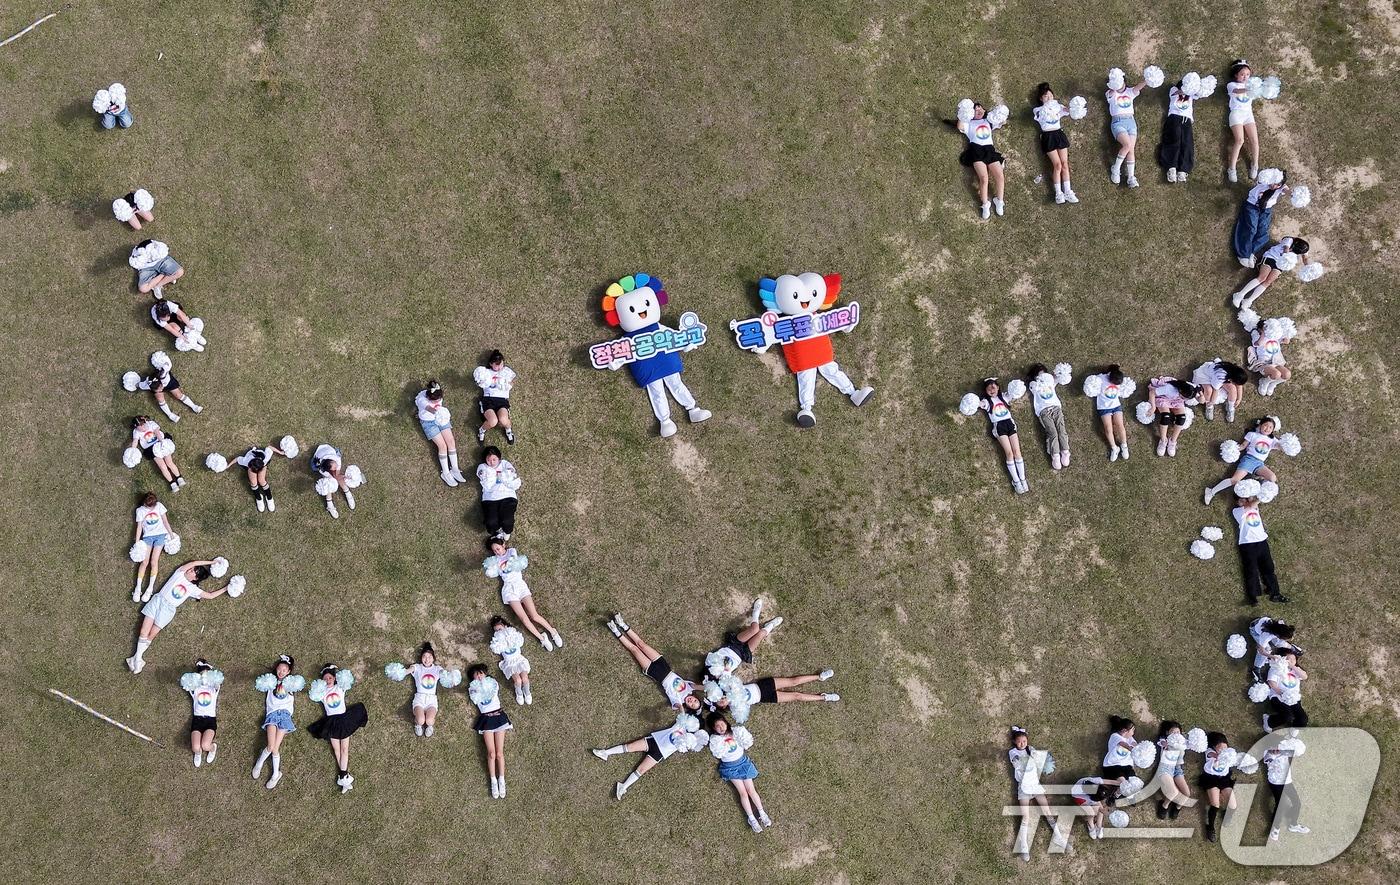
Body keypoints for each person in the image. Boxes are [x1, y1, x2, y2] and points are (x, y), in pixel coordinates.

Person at [126, 559, 233, 673]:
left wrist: (227, 587)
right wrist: (212, 563)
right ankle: (137, 660)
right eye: (191, 569)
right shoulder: (179, 574)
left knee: (151, 635)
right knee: (143, 632)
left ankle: (136, 658)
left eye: (193, 571)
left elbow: (210, 595)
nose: (190, 570)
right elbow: (194, 563)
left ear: (195, 578)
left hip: (168, 610)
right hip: (158, 601)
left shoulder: (193, 589)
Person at [591, 711, 708, 799]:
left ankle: (623, 786)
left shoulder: (689, 741)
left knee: (641, 770)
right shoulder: (681, 724)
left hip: (661, 753)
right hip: (654, 740)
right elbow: (682, 711)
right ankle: (605, 752)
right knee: (630, 747)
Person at [606, 613, 703, 712]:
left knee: (635, 650)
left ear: (688, 707)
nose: (691, 701)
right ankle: (622, 624)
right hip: (665, 666)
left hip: (656, 674)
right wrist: (713, 689)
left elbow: (680, 708)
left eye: (691, 704)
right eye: (695, 700)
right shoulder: (690, 688)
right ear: (695, 697)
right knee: (641, 644)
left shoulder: (678, 701)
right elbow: (702, 687)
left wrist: (683, 716)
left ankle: (615, 630)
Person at [483, 539, 561, 650]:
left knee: (534, 615)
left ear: (503, 545)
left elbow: (513, 561)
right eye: (494, 551)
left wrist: (503, 565)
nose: (497, 552)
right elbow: (491, 572)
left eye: (498, 548)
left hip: (520, 585)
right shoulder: (495, 560)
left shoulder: (511, 551)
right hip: (509, 589)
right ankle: (542, 638)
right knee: (524, 619)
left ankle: (553, 632)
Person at [308, 664, 369, 794]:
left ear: (335, 678)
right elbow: (313, 695)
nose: (328, 680)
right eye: (325, 679)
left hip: (344, 720)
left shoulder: (340, 688)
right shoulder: (322, 693)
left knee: (344, 748)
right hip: (331, 722)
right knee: (336, 750)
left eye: (330, 677)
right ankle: (344, 776)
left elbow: (345, 677)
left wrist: (334, 668)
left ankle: (343, 776)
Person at [707, 713, 771, 832]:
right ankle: (751, 819)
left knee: (751, 790)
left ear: (726, 722)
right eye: (717, 726)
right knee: (743, 793)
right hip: (730, 767)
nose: (721, 727)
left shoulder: (736, 732)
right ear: (713, 729)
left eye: (722, 724)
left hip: (743, 763)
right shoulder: (716, 740)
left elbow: (746, 741)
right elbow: (718, 753)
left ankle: (762, 813)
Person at [1006, 726, 1061, 861]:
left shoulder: (1031, 749)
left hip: (1035, 786)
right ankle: (1024, 848)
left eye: (1024, 740)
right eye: (1019, 742)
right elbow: (1018, 764)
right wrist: (1032, 759)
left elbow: (1041, 761)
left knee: (1047, 811)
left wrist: (1043, 761)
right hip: (1024, 787)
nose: (1022, 743)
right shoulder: (1012, 752)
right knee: (1025, 817)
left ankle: (1058, 836)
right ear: (1014, 742)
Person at [1204, 416, 1287, 504]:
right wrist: (1232, 449)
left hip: (1259, 464)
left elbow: (1280, 447)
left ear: (1273, 430)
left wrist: (1286, 446)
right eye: (1266, 425)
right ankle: (1211, 491)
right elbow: (1243, 446)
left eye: (1270, 427)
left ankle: (1257, 499)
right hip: (1248, 460)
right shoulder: (1252, 434)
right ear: (1261, 425)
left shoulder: (1272, 440)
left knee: (1272, 478)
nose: (1267, 428)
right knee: (1235, 480)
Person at [385, 642, 460, 737]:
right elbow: (408, 670)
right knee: (420, 720)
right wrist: (400, 672)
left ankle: (430, 726)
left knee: (429, 721)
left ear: (433, 658)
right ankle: (417, 724)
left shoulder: (437, 669)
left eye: (429, 657)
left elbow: (444, 674)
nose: (427, 659)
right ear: (421, 658)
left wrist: (451, 678)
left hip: (431, 700)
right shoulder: (417, 667)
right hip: (419, 699)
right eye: (424, 656)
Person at [253, 654, 305, 789]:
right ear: (276, 669)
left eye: (284, 670)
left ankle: (276, 774)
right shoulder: (270, 682)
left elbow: (300, 685)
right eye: (279, 669)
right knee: (270, 746)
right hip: (272, 715)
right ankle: (259, 764)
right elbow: (260, 683)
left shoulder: (291, 685)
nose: (281, 672)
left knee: (275, 748)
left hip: (285, 717)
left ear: (288, 672)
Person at [1233, 480, 1288, 604]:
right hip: (1247, 544)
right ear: (1237, 502)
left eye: (1247, 499)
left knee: (1268, 568)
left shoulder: (1254, 507)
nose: (1246, 501)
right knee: (1251, 570)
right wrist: (1261, 497)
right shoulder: (1237, 511)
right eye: (1242, 499)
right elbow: (1251, 505)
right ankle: (1253, 597)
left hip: (1262, 541)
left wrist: (1263, 489)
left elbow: (1253, 501)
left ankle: (1275, 593)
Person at [970, 378, 1028, 493]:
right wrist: (972, 402)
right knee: (1009, 453)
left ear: (998, 387)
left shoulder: (1005, 397)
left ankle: (1023, 479)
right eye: (989, 388)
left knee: (1017, 452)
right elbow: (979, 404)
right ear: (986, 391)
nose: (992, 389)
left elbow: (1015, 392)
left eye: (993, 387)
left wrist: (1018, 387)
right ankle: (1016, 481)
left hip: (1010, 424)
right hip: (999, 426)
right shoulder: (987, 402)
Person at [706, 670, 839, 720]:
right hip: (765, 698)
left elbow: (727, 679)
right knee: (796, 696)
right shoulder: (736, 708)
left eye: (720, 698)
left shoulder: (730, 689)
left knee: (794, 681)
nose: (722, 700)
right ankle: (824, 697)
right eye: (721, 703)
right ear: (723, 707)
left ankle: (819, 677)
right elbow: (741, 716)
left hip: (763, 686)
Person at [703, 599, 784, 679]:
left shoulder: (710, 662)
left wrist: (717, 667)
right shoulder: (724, 678)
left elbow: (712, 658)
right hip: (742, 654)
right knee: (760, 634)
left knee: (755, 629)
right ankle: (771, 625)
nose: (717, 675)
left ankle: (756, 612)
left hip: (733, 645)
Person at [954, 101, 1007, 219]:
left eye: (980, 109)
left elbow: (1003, 121)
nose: (978, 111)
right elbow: (960, 126)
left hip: (990, 151)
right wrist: (963, 114)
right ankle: (985, 204)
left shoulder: (988, 121)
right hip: (976, 151)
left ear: (984, 111)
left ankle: (999, 201)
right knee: (984, 178)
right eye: (975, 110)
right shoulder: (969, 123)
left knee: (1000, 176)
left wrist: (1000, 113)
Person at [467, 664, 512, 798]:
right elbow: (475, 696)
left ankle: (502, 780)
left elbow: (493, 688)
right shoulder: (473, 690)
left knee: (499, 753)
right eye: (476, 675)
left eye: (481, 673)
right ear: (473, 679)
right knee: (491, 754)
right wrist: (477, 686)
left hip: (498, 717)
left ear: (485, 674)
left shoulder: (493, 684)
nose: (479, 676)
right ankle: (493, 781)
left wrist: (485, 682)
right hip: (486, 719)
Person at [1232, 237, 1313, 310]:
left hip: (1280, 264)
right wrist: (1286, 257)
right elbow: (1286, 249)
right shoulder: (1290, 240)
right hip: (1271, 257)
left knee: (1268, 282)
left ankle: (1248, 301)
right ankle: (1240, 295)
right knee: (1262, 277)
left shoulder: (1304, 249)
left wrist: (1309, 267)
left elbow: (1305, 258)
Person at [123, 351, 202, 423]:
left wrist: (165, 365)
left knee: (178, 395)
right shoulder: (148, 384)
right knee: (160, 398)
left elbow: (167, 365)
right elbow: (140, 385)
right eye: (156, 390)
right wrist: (135, 383)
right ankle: (170, 415)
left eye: (158, 389)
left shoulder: (164, 376)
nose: (160, 391)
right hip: (158, 384)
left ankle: (194, 406)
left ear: (160, 385)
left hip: (169, 383)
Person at [1032, 84, 1079, 204]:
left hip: (1059, 134)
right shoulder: (1038, 110)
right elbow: (1038, 116)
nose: (1049, 98)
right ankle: (1059, 193)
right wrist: (1047, 108)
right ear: (1041, 99)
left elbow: (1068, 111)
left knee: (1064, 164)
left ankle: (1068, 191)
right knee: (1057, 165)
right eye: (1046, 97)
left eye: (1050, 96)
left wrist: (1074, 107)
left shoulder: (1058, 106)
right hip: (1048, 137)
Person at [415, 380, 466, 486]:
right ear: (429, 398)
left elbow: (438, 408)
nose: (437, 402)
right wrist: (437, 412)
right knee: (442, 446)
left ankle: (455, 469)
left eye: (439, 399)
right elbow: (429, 408)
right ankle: (446, 473)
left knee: (451, 442)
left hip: (441, 418)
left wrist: (442, 414)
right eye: (435, 401)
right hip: (429, 422)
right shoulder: (422, 400)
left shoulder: (437, 394)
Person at [1232, 170, 1288, 266]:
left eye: (1278, 184)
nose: (1274, 186)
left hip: (1266, 209)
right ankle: (1243, 254)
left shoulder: (1280, 187)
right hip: (1252, 205)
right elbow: (1263, 177)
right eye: (1274, 183)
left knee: (1264, 234)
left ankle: (1250, 252)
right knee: (1251, 228)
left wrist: (1292, 193)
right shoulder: (1264, 181)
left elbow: (1287, 190)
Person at [1105, 67, 1148, 187]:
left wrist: (1148, 80)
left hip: (1131, 122)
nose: (1120, 85)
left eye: (1122, 82)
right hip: (1118, 122)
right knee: (1127, 145)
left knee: (1131, 149)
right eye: (1118, 82)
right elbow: (1112, 91)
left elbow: (1138, 87)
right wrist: (1114, 84)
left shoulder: (1129, 92)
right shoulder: (1110, 94)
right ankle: (1116, 168)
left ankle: (1131, 177)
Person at [1159, 76, 1207, 183]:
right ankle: (1171, 167)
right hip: (1174, 117)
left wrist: (1200, 87)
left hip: (1187, 120)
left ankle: (1183, 169)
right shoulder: (1174, 90)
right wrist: (1187, 90)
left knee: (1187, 143)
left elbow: (1200, 94)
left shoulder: (1191, 95)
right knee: (1173, 140)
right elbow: (1176, 93)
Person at [1025, 363, 1072, 470]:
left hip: (1056, 409)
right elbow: (1034, 385)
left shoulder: (1051, 382)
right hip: (1044, 411)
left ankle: (1065, 452)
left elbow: (1058, 378)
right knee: (1052, 433)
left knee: (1062, 431)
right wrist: (1041, 381)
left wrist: (1060, 373)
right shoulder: (1033, 385)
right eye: (1039, 375)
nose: (1043, 377)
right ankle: (1055, 455)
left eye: (1044, 374)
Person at [1263, 738, 1311, 840]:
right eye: (1274, 747)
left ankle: (1293, 824)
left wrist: (1287, 747)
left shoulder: (1285, 751)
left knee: (1297, 803)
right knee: (1280, 804)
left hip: (1287, 781)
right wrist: (1275, 754)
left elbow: (1297, 750)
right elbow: (1268, 759)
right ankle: (1275, 828)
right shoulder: (1267, 753)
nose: (1276, 749)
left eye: (1278, 747)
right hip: (1276, 783)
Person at [130, 491, 174, 602]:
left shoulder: (159, 506)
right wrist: (137, 542)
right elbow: (139, 527)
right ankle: (138, 588)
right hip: (147, 537)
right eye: (148, 507)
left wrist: (171, 534)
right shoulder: (140, 511)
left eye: (152, 507)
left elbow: (165, 521)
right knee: (144, 562)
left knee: (154, 562)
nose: (150, 509)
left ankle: (149, 588)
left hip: (160, 536)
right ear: (144, 503)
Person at [1084, 366, 1134, 460]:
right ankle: (1114, 448)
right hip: (1104, 407)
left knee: (1120, 425)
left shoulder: (1119, 378)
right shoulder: (1100, 378)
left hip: (1116, 406)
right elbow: (1092, 383)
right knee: (1108, 428)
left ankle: (1124, 446)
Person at [180, 658, 223, 768]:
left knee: (205, 745)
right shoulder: (196, 689)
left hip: (210, 720)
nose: (204, 677)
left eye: (206, 675)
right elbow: (186, 683)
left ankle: (213, 748)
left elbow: (218, 681)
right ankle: (198, 754)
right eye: (201, 675)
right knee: (195, 748)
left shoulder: (213, 689)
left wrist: (210, 672)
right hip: (197, 720)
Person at [1200, 732, 1240, 843]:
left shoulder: (1229, 754)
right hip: (1211, 779)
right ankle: (1210, 827)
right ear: (1214, 747)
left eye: (1225, 748)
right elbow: (1212, 755)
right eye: (1220, 749)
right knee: (1215, 804)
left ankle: (1226, 815)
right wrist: (1220, 756)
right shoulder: (1210, 752)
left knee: (1233, 805)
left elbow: (1233, 759)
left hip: (1224, 779)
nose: (1223, 751)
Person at [1225, 60, 1260, 182]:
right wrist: (1249, 88)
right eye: (1242, 74)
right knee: (1240, 140)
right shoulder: (1232, 85)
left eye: (1248, 75)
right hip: (1236, 114)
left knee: (1254, 141)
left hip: (1248, 115)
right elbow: (1237, 92)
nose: (1245, 77)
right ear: (1236, 75)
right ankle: (1232, 169)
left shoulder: (1251, 86)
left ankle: (1255, 165)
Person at [128, 415, 185, 492]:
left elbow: (157, 432)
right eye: (139, 427)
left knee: (169, 463)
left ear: (145, 422)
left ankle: (179, 477)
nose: (142, 428)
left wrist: (162, 442)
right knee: (162, 467)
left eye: (143, 425)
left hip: (160, 443)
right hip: (151, 449)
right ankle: (172, 483)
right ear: (136, 427)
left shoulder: (151, 424)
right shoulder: (136, 432)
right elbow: (135, 441)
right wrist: (133, 450)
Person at [1147, 376, 1198, 457]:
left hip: (1177, 401)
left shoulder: (1191, 389)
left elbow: (1200, 399)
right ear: (1181, 391)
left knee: (1181, 418)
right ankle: (1163, 440)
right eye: (1184, 398)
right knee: (1165, 416)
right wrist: (1153, 407)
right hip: (1164, 398)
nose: (1186, 400)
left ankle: (1173, 441)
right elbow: (1152, 392)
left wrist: (1201, 395)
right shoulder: (1169, 389)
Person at [1245, 315, 1296, 396]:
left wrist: (1287, 333)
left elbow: (1286, 341)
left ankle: (1273, 383)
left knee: (1287, 374)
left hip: (1276, 362)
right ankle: (1264, 382)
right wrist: (1264, 334)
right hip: (1264, 363)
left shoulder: (1275, 337)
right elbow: (1258, 343)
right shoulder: (1257, 336)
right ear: (1260, 330)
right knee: (1276, 374)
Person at [476, 446, 520, 540]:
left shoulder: (504, 463)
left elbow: (511, 471)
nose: (491, 462)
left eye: (494, 459)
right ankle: (497, 532)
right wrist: (486, 474)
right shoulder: (483, 466)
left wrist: (506, 474)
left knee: (507, 521)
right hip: (490, 499)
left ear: (499, 458)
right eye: (489, 460)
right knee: (491, 522)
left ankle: (507, 531)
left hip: (508, 497)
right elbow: (481, 474)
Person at [474, 350, 517, 444]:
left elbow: (513, 380)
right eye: (496, 365)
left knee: (503, 420)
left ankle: (509, 431)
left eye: (501, 364)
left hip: (502, 400)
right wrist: (480, 381)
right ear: (491, 364)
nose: (499, 367)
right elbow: (479, 381)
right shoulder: (486, 372)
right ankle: (481, 431)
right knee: (493, 421)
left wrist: (507, 384)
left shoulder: (506, 371)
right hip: (488, 399)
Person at [489, 615, 533, 705]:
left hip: (519, 660)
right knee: (518, 680)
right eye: (496, 631)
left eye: (500, 629)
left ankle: (527, 693)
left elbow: (520, 642)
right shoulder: (498, 642)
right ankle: (519, 693)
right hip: (510, 663)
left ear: (505, 626)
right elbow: (496, 649)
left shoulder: (513, 634)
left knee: (524, 678)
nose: (498, 632)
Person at [1262, 649, 1309, 732]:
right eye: (1288, 659)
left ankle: (1294, 728)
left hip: (1293, 698)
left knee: (1303, 719)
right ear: (1283, 659)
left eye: (1293, 659)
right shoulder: (1276, 668)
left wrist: (1293, 667)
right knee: (1287, 716)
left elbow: (1305, 677)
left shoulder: (1296, 671)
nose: (1291, 661)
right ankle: (1269, 720)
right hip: (1278, 697)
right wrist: (1282, 694)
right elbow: (1272, 683)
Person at [234, 441, 288, 513]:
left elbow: (269, 448)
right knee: (253, 482)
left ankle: (269, 497)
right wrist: (227, 466)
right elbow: (237, 459)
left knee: (262, 481)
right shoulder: (247, 461)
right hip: (252, 464)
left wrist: (281, 452)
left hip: (259, 463)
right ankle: (258, 498)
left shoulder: (265, 458)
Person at [1153, 721, 1192, 819]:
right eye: (1173, 732)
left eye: (1178, 732)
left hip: (1177, 769)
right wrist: (1169, 744)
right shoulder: (1163, 741)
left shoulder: (1182, 742)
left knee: (1187, 794)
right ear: (1167, 733)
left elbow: (1190, 744)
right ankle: (1164, 805)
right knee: (1174, 792)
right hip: (1165, 768)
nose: (1176, 734)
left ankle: (1177, 807)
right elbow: (1162, 743)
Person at [311, 443, 357, 518]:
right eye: (334, 468)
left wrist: (344, 476)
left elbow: (337, 475)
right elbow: (331, 477)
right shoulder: (323, 470)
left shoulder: (337, 460)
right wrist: (332, 478)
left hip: (328, 453)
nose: (336, 467)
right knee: (328, 483)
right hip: (320, 460)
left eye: (335, 466)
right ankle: (329, 505)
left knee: (338, 477)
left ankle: (348, 493)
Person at [1249, 617, 1298, 682]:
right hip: (1254, 630)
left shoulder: (1280, 626)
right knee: (1267, 649)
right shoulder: (1266, 636)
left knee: (1278, 642)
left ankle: (1292, 648)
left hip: (1260, 622)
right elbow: (1261, 651)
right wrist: (1272, 656)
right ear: (1278, 635)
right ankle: (1256, 668)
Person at [1070, 776, 1117, 840]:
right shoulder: (1079, 792)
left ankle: (1098, 825)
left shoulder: (1095, 782)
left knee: (1100, 809)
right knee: (1091, 813)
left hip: (1090, 795)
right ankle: (1091, 825)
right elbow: (1097, 806)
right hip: (1079, 798)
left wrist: (1121, 783)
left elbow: (1110, 781)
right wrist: (1101, 810)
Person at [1101, 715, 1138, 780]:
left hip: (1127, 767)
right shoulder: (1115, 736)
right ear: (1124, 731)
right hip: (1113, 766)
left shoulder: (1129, 738)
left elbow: (1135, 744)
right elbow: (1122, 744)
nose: (1133, 733)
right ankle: (1100, 782)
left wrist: (1139, 749)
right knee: (1122, 783)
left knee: (1134, 783)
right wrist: (1131, 749)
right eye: (1132, 730)